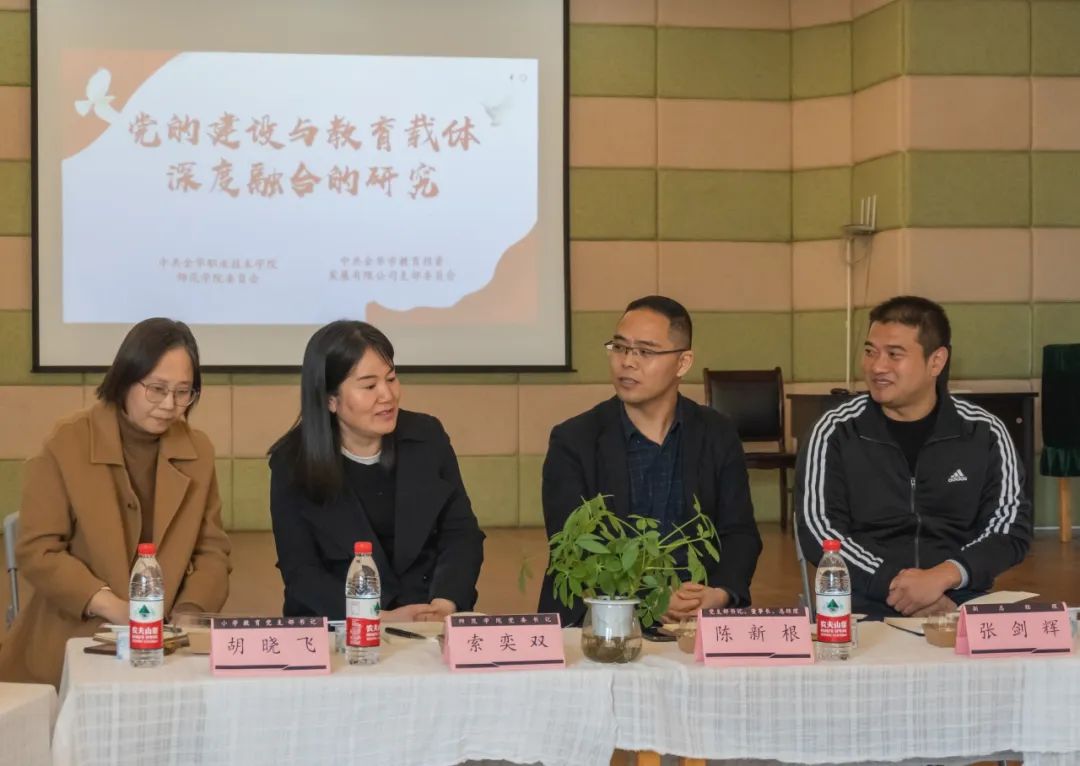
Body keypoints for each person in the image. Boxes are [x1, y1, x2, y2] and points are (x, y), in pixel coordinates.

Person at [0, 319, 231, 685]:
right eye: (156, 389)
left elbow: (212, 551)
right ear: (125, 379)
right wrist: (111, 606)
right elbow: (38, 550)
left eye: (183, 392)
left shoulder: (198, 451)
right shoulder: (67, 442)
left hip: (167, 643)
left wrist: (189, 614)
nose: (169, 404)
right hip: (74, 638)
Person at [796, 296, 1032, 619]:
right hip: (865, 609)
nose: (877, 367)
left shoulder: (984, 433)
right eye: (870, 352)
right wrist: (900, 587)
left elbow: (1010, 527)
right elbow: (820, 529)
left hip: (960, 603)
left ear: (936, 361)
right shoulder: (836, 431)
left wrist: (944, 576)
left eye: (894, 354)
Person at [539, 296, 762, 626]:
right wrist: (650, 598)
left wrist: (719, 594)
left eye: (645, 351)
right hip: (601, 623)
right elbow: (573, 548)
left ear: (683, 363)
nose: (627, 362)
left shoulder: (717, 434)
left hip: (695, 620)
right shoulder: (574, 440)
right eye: (619, 347)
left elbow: (739, 532)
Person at [268, 320, 484, 622]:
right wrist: (378, 618)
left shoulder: (427, 437)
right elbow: (301, 572)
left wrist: (444, 604)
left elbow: (461, 533)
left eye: (391, 378)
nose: (387, 395)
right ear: (330, 399)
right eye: (369, 386)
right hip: (339, 626)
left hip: (428, 619)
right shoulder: (292, 463)